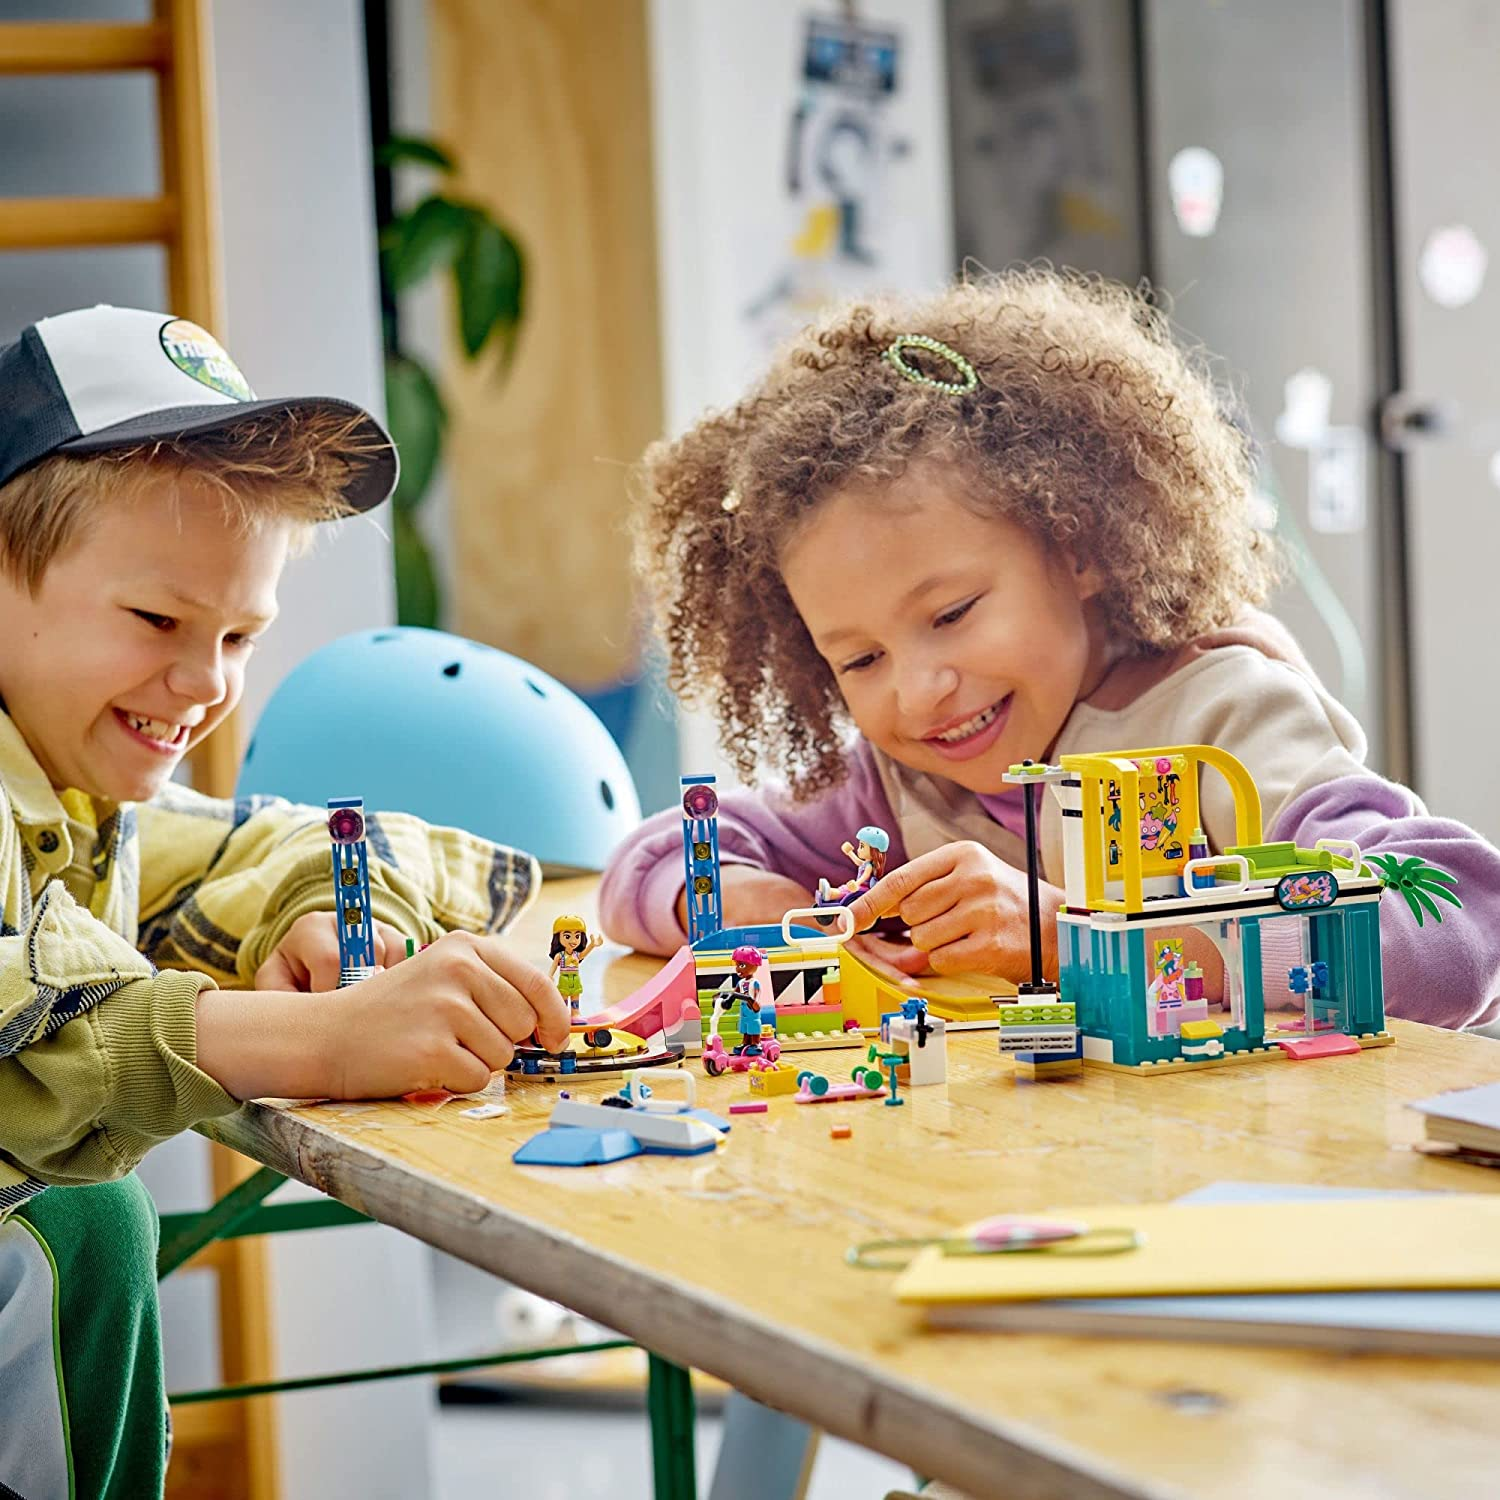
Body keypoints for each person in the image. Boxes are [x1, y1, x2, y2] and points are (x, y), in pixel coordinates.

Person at [600, 268, 1500, 1030]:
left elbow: (1452, 926)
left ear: (1077, 550)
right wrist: (762, 908)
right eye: (860, 660)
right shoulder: (898, 783)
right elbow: (654, 858)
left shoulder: (1227, 718)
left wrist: (1070, 941)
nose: (919, 693)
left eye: (951, 613)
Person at [0, 305, 570, 1500]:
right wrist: (321, 1038)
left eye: (241, 635)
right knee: (73, 1226)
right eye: (158, 622)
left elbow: (268, 842)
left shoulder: (73, 799)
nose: (204, 684)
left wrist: (323, 912)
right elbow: (19, 1034)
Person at [548, 914, 603, 1015]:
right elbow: (554, 966)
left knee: (575, 996)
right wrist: (550, 975)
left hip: (575, 979)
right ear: (558, 937)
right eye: (567, 936)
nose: (573, 941)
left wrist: (592, 945)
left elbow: (584, 954)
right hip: (564, 979)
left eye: (577, 936)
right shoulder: (560, 956)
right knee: (563, 997)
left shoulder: (576, 955)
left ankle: (575, 1013)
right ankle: (562, 1014)